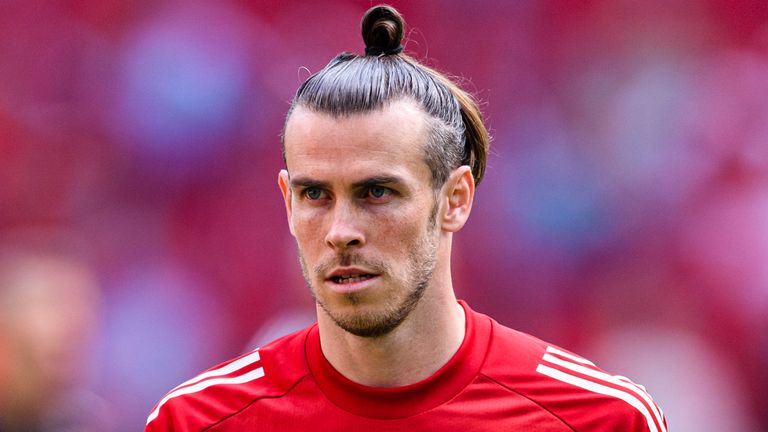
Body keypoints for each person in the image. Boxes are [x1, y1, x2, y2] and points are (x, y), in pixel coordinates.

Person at [145, 5, 667, 431]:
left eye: (377, 192)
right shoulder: (196, 421)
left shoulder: (599, 420)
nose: (341, 232)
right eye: (315, 195)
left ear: (455, 199)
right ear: (287, 203)